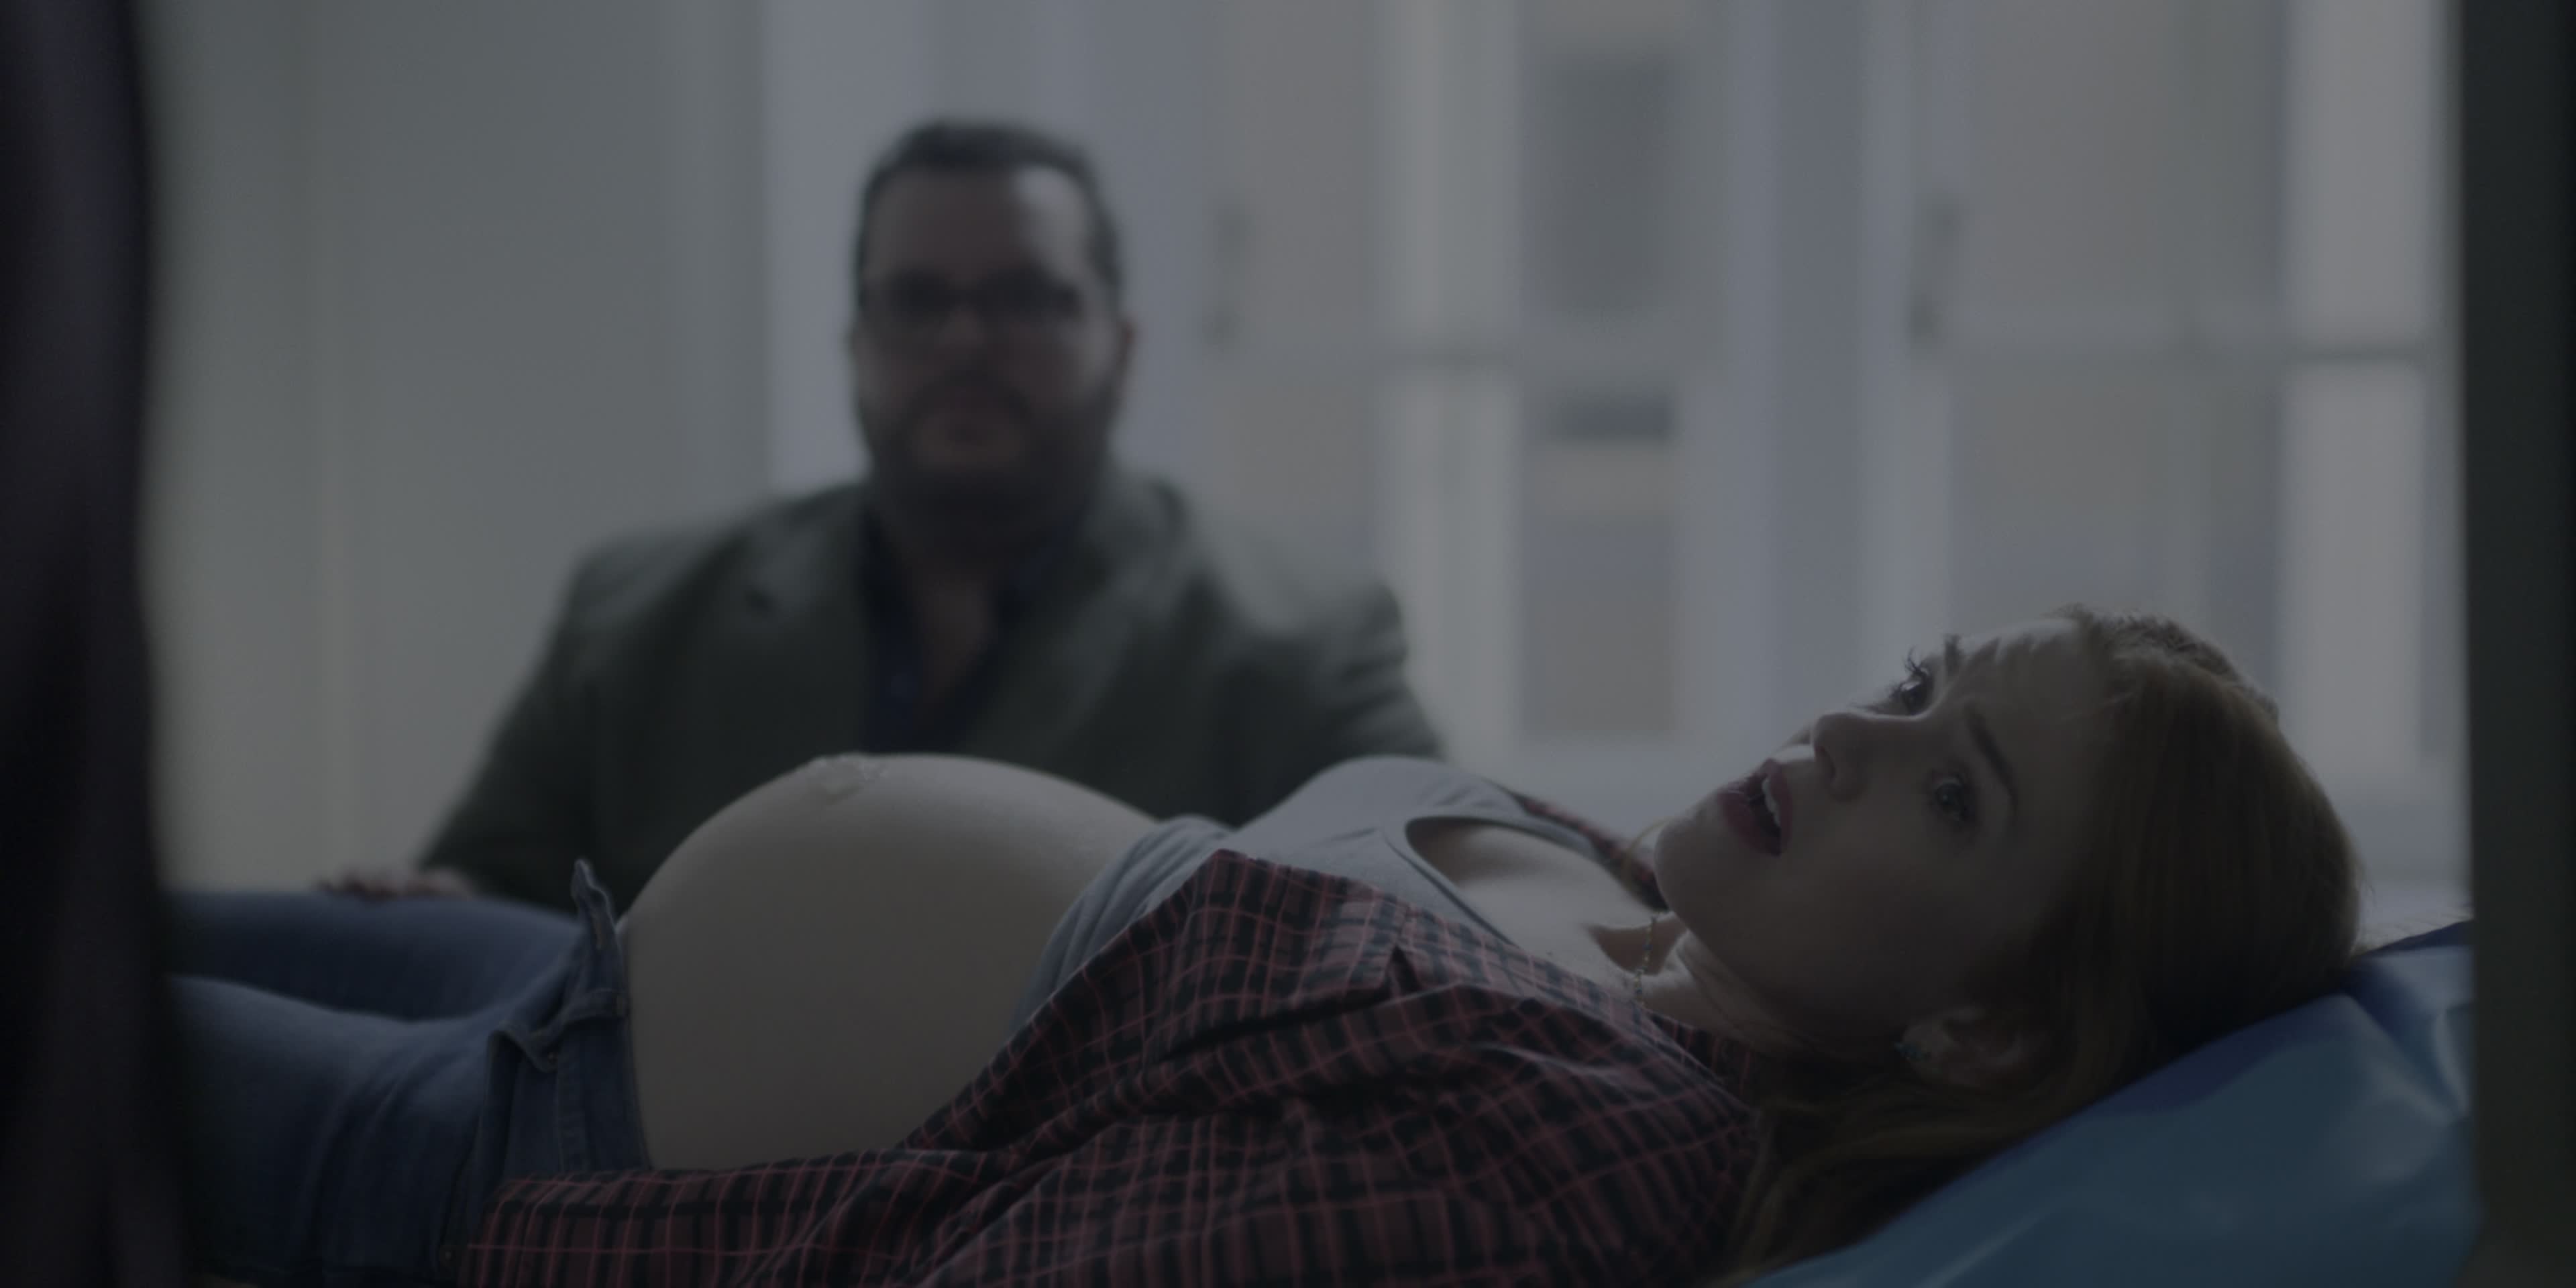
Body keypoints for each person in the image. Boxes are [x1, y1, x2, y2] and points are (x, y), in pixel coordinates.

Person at [175, 607, 2359, 1286]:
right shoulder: (1627, 884)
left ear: (1990, 1030)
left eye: (1955, 791)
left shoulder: (1591, 1151)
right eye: (1913, 683)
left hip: (530, 1165)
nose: (1859, 738)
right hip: (552, 981)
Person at [331, 119, 1442, 912]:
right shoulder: (633, 613)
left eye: (1023, 297)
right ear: (856, 343)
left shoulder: (1301, 640)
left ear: (1123, 344)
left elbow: (1448, 921)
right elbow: (483, 898)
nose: (964, 341)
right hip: (670, 1152)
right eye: (915, 300)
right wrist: (422, 912)